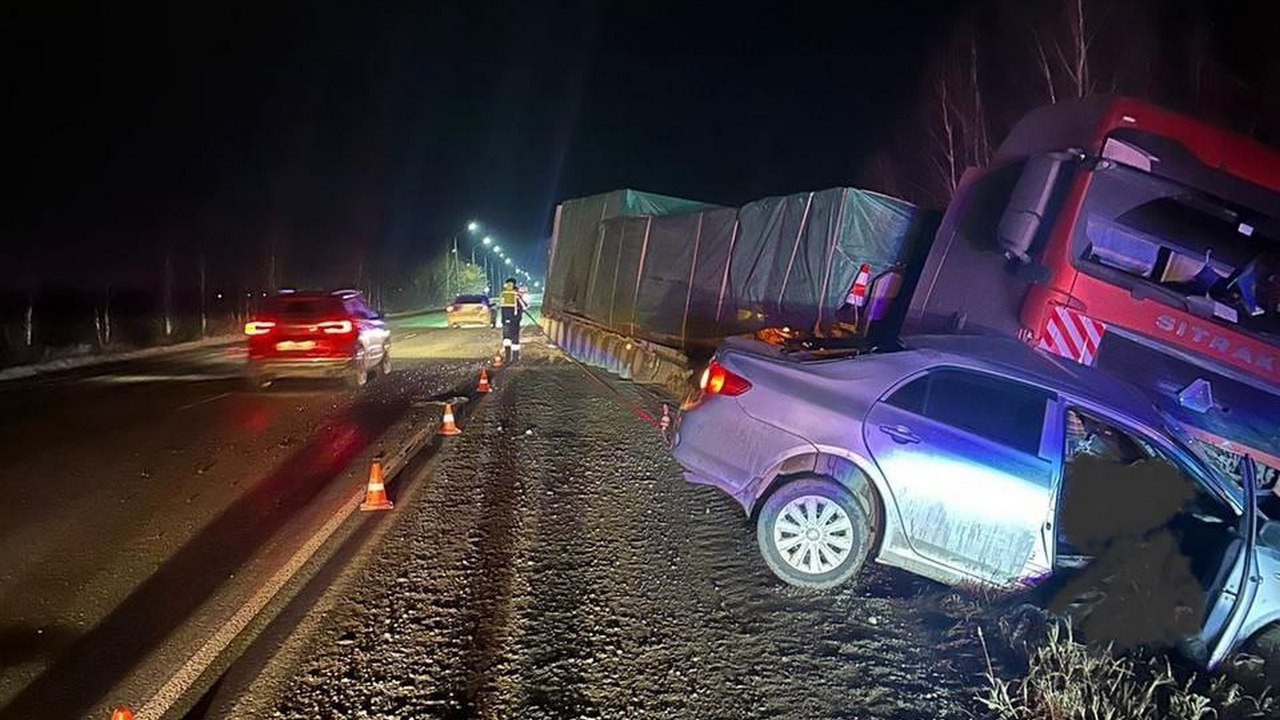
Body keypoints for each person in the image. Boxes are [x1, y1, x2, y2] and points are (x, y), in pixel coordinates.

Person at [499, 277, 528, 363]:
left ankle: (510, 357)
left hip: (509, 321)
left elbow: (501, 307)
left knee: (509, 339)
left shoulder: (508, 294)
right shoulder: (512, 295)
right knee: (511, 340)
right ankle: (512, 358)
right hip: (512, 321)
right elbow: (525, 306)